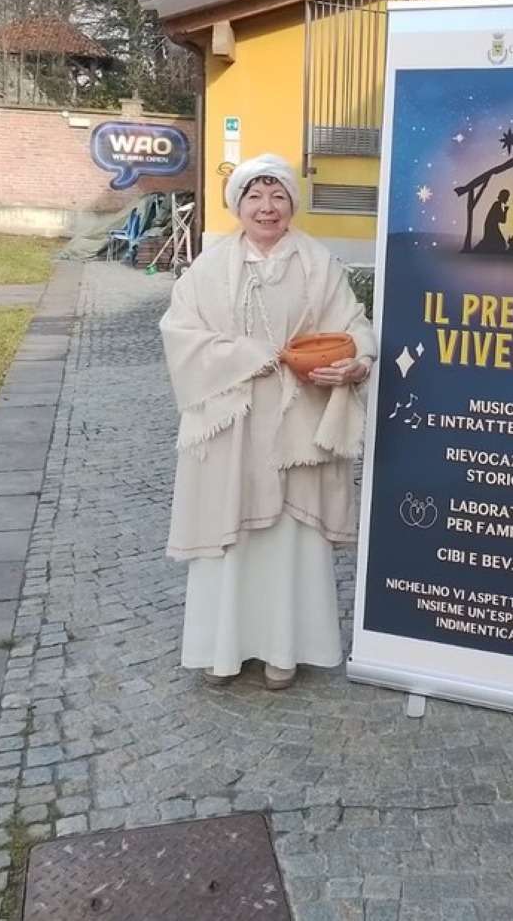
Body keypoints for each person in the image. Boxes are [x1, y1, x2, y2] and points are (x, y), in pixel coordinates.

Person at [159, 153, 376, 689]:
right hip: (232, 423)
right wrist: (251, 356)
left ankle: (286, 649)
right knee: (230, 538)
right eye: (255, 196)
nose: (267, 207)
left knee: (289, 539)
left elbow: (352, 323)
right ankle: (222, 649)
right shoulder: (209, 267)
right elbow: (180, 333)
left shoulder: (317, 262)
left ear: (291, 204)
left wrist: (359, 361)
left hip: (294, 423)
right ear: (238, 205)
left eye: (277, 195)